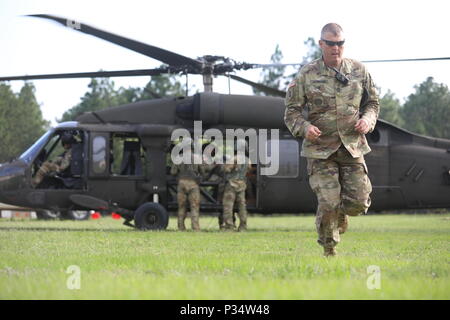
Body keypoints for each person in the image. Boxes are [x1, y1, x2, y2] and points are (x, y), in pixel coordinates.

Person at [284, 23, 379, 257]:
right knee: (328, 201)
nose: (336, 48)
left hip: (352, 147)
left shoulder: (359, 71)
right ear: (321, 44)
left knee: (358, 203)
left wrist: (367, 120)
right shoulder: (307, 74)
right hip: (320, 151)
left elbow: (373, 104)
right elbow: (291, 111)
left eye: (340, 43)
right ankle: (329, 249)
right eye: (331, 43)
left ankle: (341, 214)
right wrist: (304, 127)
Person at [170, 147, 204, 231]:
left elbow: (173, 172)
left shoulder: (178, 158)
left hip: (182, 183)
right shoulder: (197, 158)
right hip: (193, 184)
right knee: (194, 206)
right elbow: (202, 171)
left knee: (181, 206)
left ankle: (181, 227)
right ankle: (195, 228)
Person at [221, 153, 250, 231]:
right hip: (242, 184)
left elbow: (227, 169)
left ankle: (229, 226)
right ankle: (243, 226)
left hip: (232, 184)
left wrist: (224, 165)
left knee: (228, 206)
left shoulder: (234, 159)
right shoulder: (248, 160)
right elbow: (248, 169)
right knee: (242, 206)